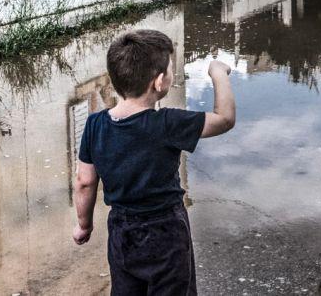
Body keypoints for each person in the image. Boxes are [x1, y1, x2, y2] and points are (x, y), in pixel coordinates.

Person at [72, 30, 236, 295]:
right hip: (166, 232)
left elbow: (85, 182)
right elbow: (225, 119)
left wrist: (84, 225)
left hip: (121, 231)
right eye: (171, 69)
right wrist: (218, 73)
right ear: (159, 82)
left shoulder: (95, 124)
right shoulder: (168, 123)